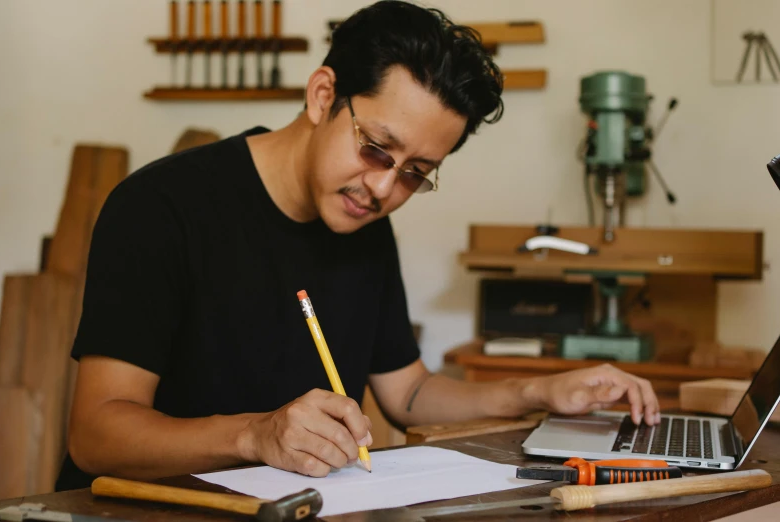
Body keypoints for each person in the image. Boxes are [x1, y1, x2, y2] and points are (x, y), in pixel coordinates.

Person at [55, 0, 660, 491]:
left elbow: (409, 393)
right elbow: (96, 434)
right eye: (376, 147)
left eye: (415, 172)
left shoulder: (365, 227)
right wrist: (253, 434)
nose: (383, 187)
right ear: (323, 96)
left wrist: (538, 391)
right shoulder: (162, 207)